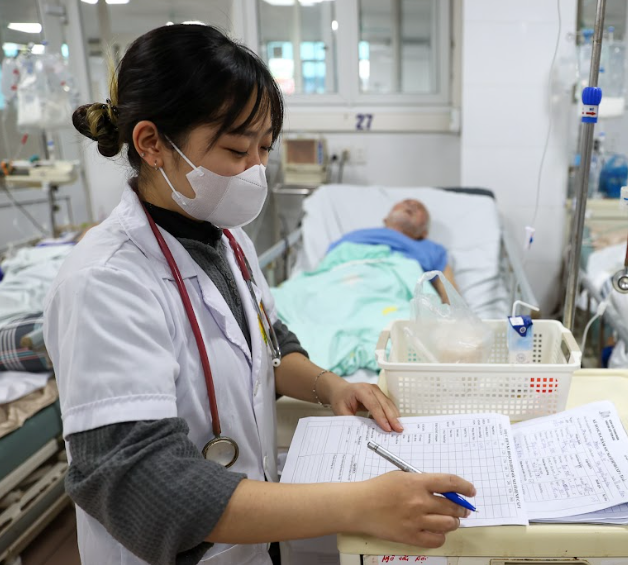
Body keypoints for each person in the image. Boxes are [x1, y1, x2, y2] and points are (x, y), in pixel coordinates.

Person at [43, 25, 474, 565]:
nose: (256, 171)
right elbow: (142, 482)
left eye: (265, 148)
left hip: (249, 539)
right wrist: (359, 505)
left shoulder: (228, 239)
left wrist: (331, 386)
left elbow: (269, 343)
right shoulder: (104, 282)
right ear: (152, 143)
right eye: (236, 149)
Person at [327, 199, 458, 302]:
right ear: (385, 219)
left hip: (394, 291)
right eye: (406, 202)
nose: (411, 205)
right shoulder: (353, 237)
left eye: (419, 208)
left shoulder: (432, 249)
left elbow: (452, 298)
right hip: (340, 281)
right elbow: (326, 265)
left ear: (423, 233)